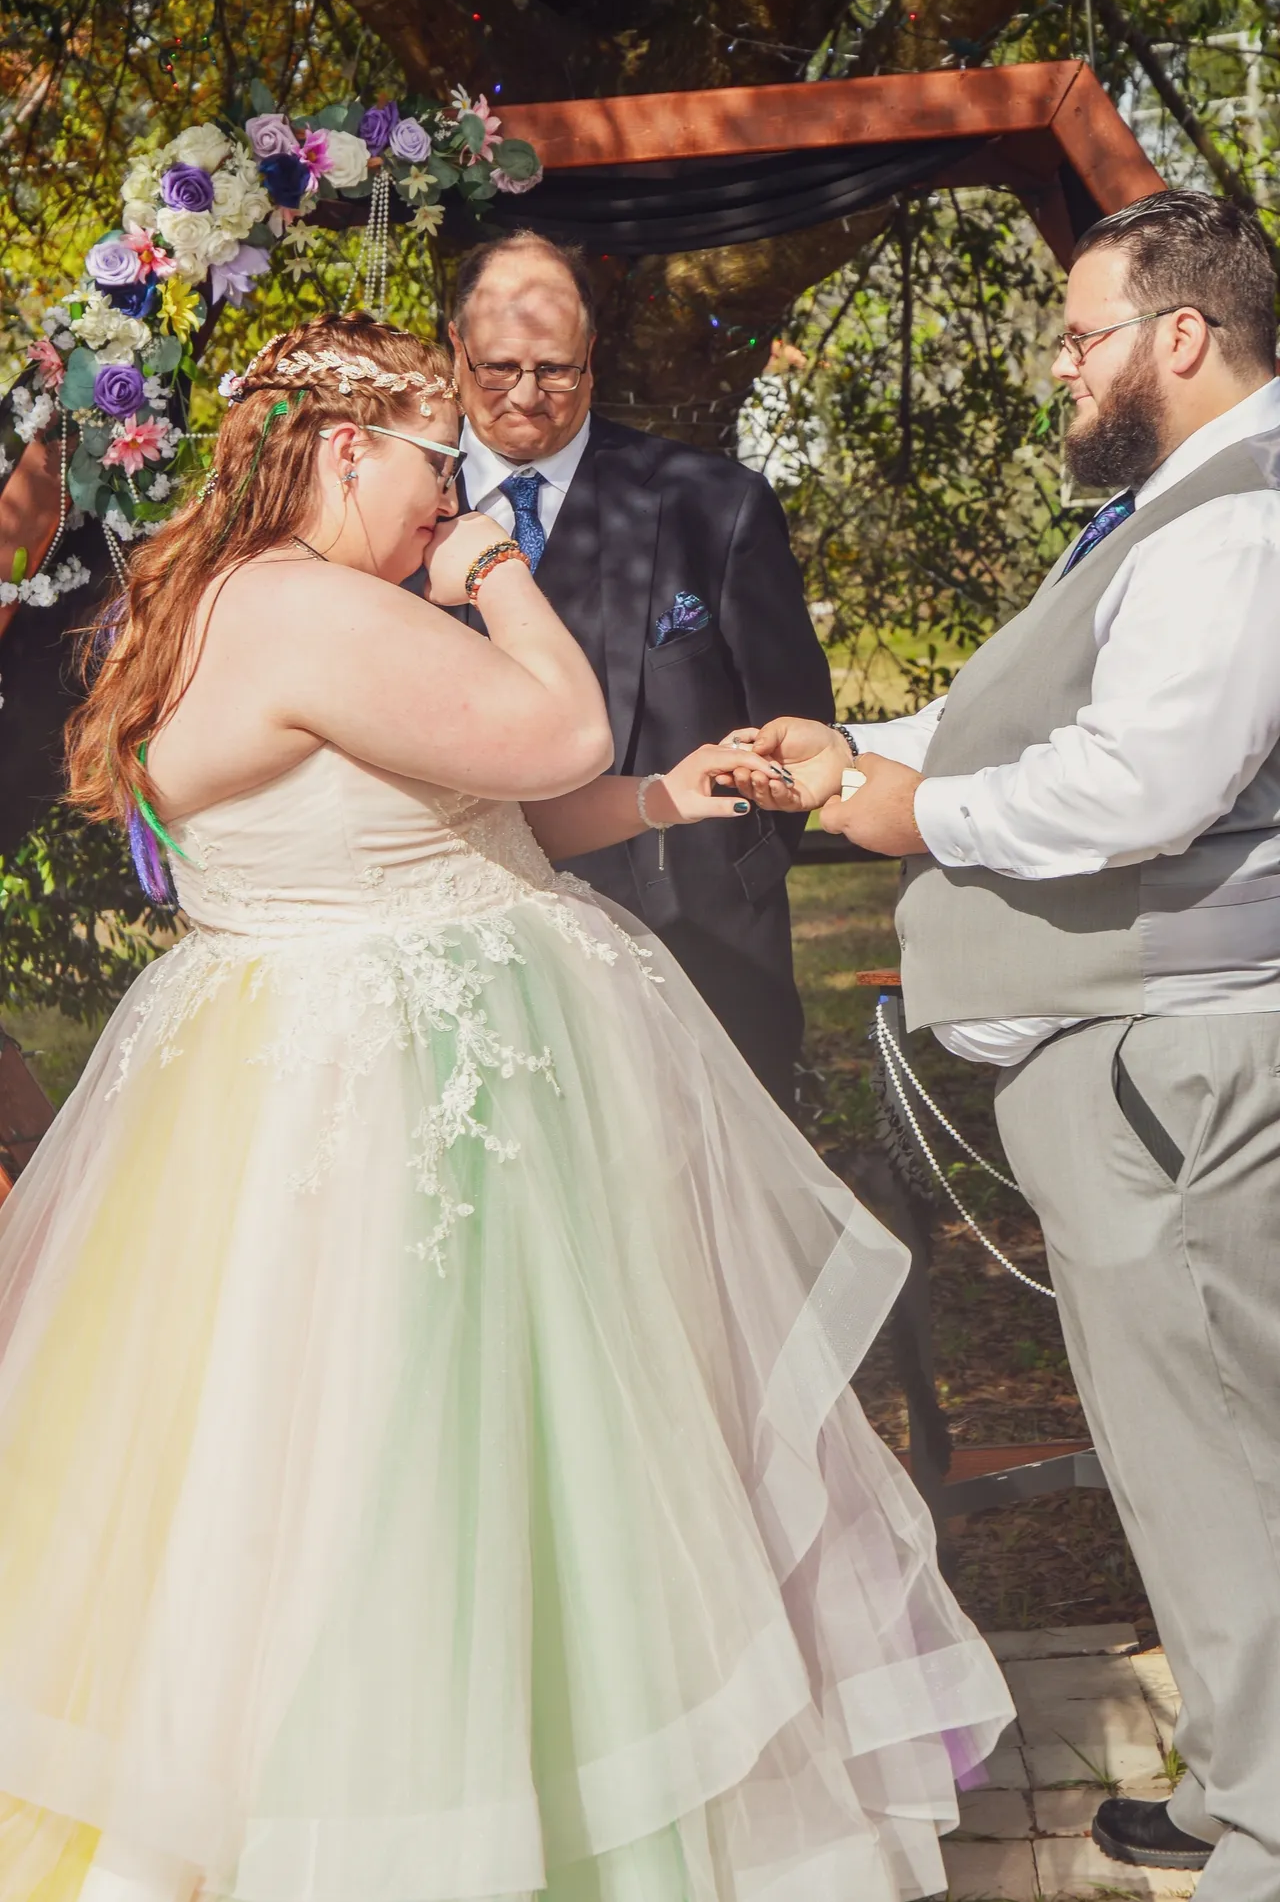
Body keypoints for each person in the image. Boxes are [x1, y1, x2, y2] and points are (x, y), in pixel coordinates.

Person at [0, 311, 1011, 1902]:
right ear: (343, 450)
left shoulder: (218, 601)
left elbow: (497, 801)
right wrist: (491, 572)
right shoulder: (310, 606)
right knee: (425, 1470)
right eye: (431, 460)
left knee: (324, 1470)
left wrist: (681, 792)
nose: (452, 492)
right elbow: (559, 724)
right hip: (412, 1109)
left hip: (305, 1082)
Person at [733, 191, 1280, 1899]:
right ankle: (1242, 1767)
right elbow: (1043, 723)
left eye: (1078, 333)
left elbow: (1145, 783)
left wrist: (914, 812)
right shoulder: (1169, 511)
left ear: (1178, 336)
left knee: (1220, 1445)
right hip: (1129, 1051)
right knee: (1178, 1443)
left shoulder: (1234, 524)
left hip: (1167, 1054)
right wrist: (853, 752)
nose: (1060, 367)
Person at [435, 229, 835, 1111]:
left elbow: (795, 730)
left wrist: (736, 874)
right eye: (499, 368)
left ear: (593, 356)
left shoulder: (713, 504)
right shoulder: (399, 509)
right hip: (461, 938)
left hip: (698, 947)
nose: (529, 398)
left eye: (558, 370)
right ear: (455, 352)